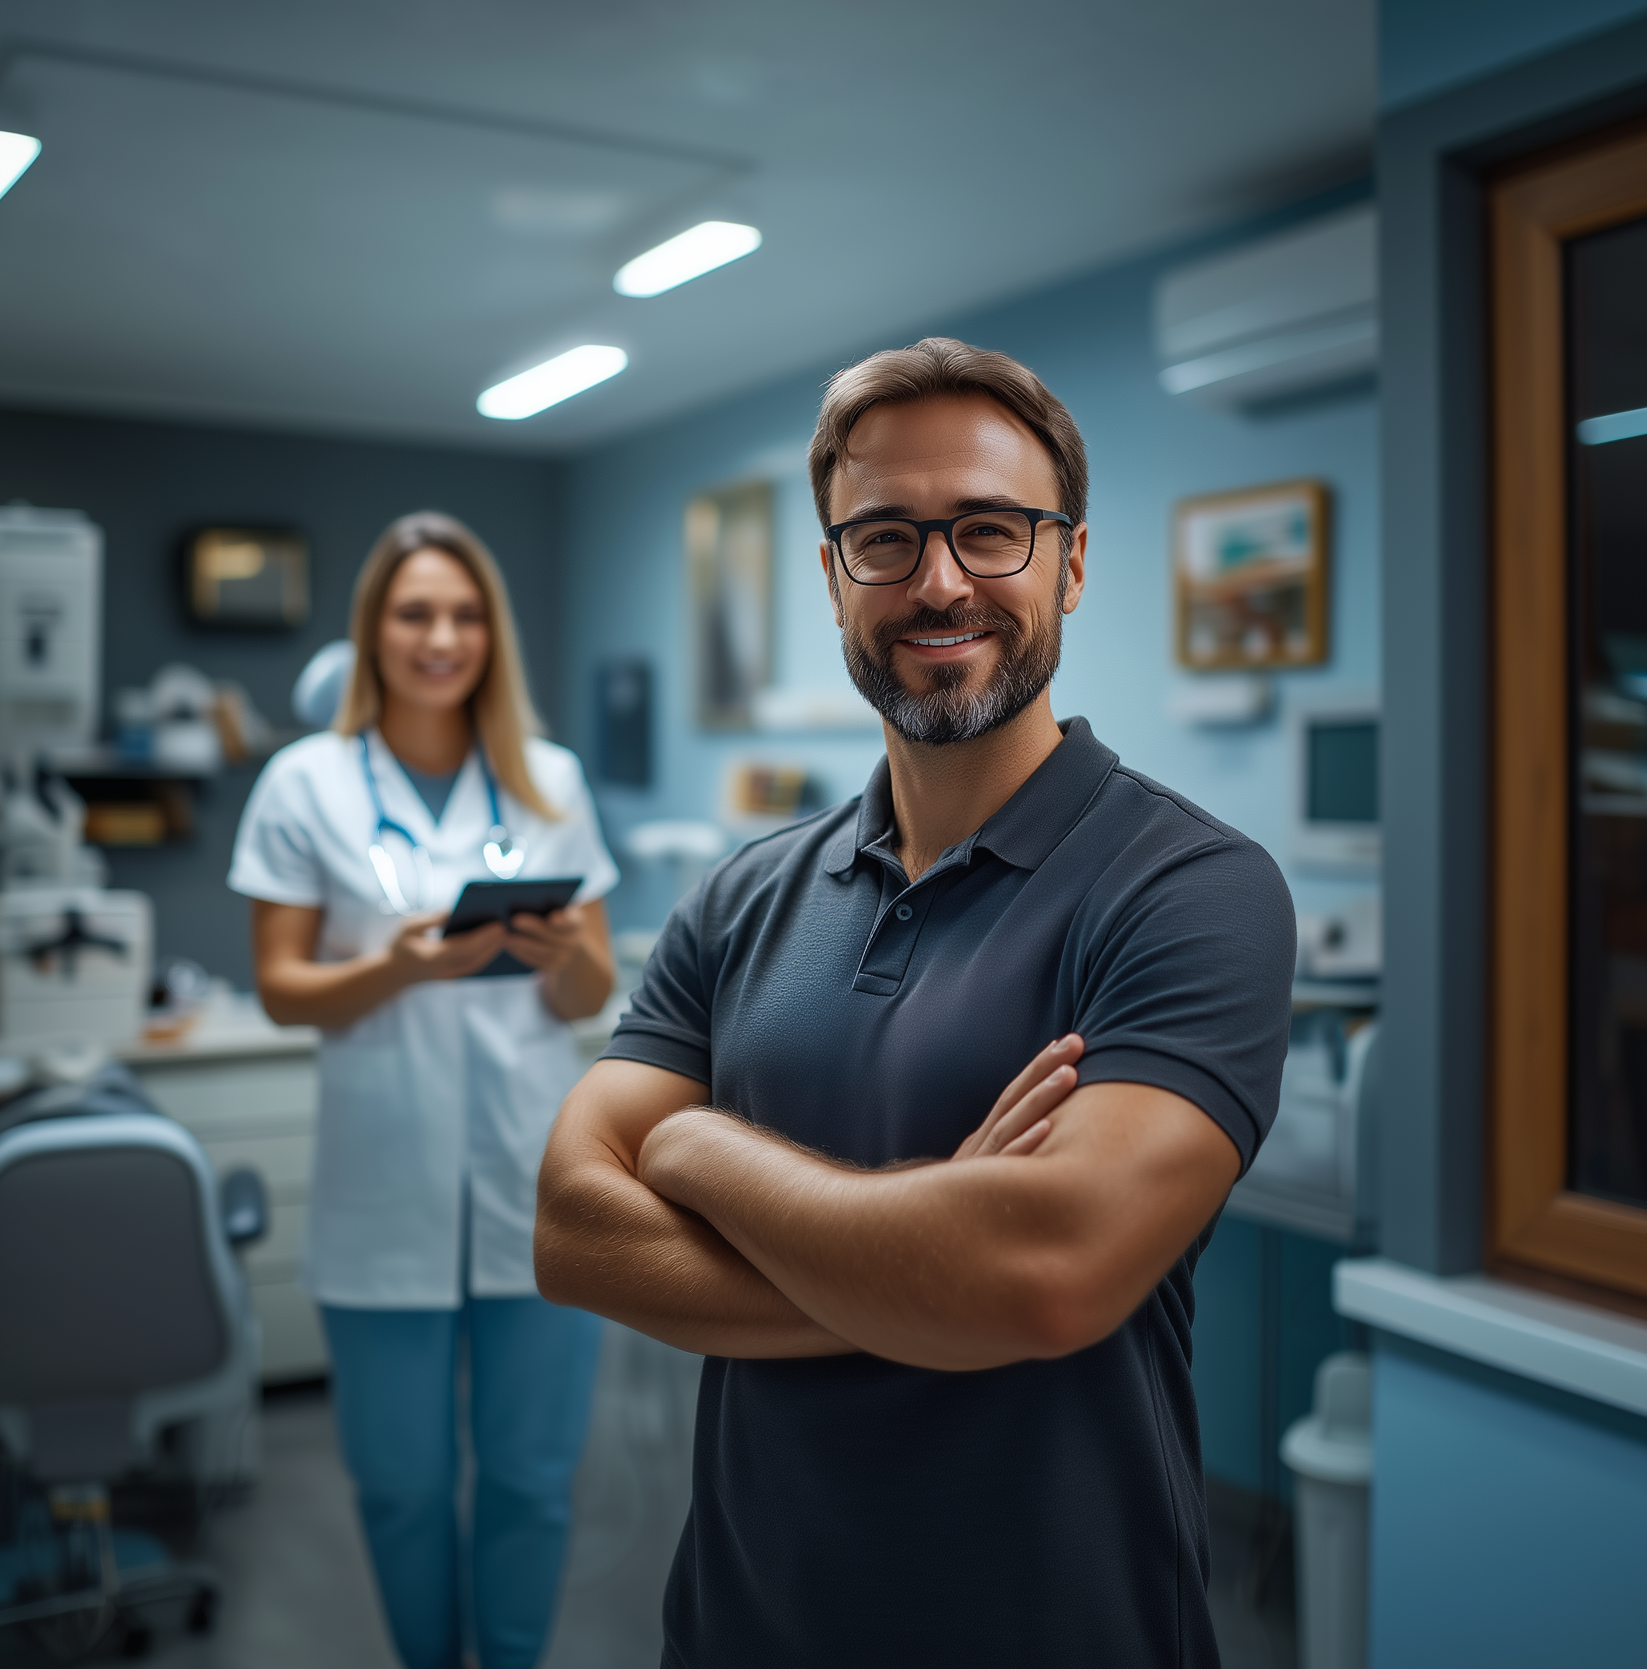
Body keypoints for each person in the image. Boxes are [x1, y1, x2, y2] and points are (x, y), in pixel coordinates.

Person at [536, 339, 1294, 1667]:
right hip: (742, 1631)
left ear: (1069, 560)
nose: (940, 580)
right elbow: (571, 1226)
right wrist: (929, 1267)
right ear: (833, 579)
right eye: (885, 538)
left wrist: (699, 1147)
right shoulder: (744, 898)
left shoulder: (1192, 889)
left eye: (992, 531)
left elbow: (1042, 1275)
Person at [228, 512, 618, 1669]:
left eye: (463, 614)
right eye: (414, 614)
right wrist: (394, 964)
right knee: (398, 1486)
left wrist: (564, 955)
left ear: (492, 633)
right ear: (373, 633)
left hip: (530, 1179)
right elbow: (284, 991)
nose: (440, 637)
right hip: (381, 1188)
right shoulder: (306, 784)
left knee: (532, 1481)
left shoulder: (550, 779)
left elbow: (589, 992)